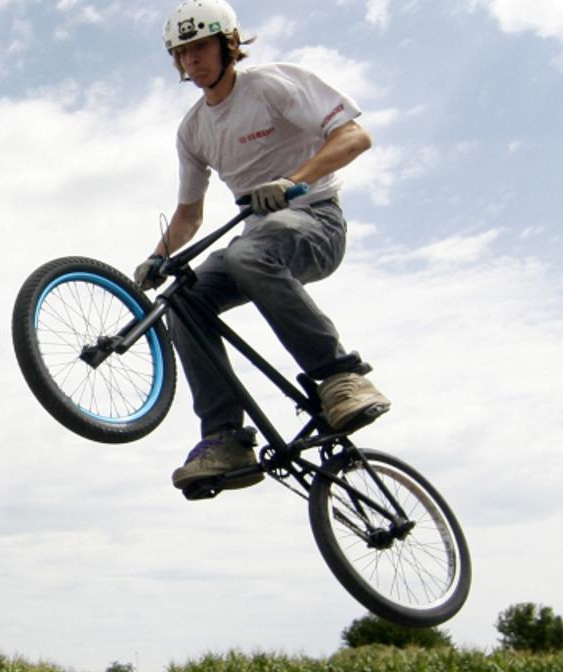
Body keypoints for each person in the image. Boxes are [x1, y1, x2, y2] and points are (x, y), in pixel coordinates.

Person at [135, 0, 390, 493]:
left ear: (229, 44)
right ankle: (225, 436)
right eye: (182, 54)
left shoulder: (271, 85)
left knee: (247, 254)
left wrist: (293, 182)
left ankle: (340, 376)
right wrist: (158, 257)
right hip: (258, 240)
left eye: (201, 48)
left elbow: (354, 136)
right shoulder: (193, 130)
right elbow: (190, 214)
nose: (193, 62)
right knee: (184, 300)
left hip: (315, 221)